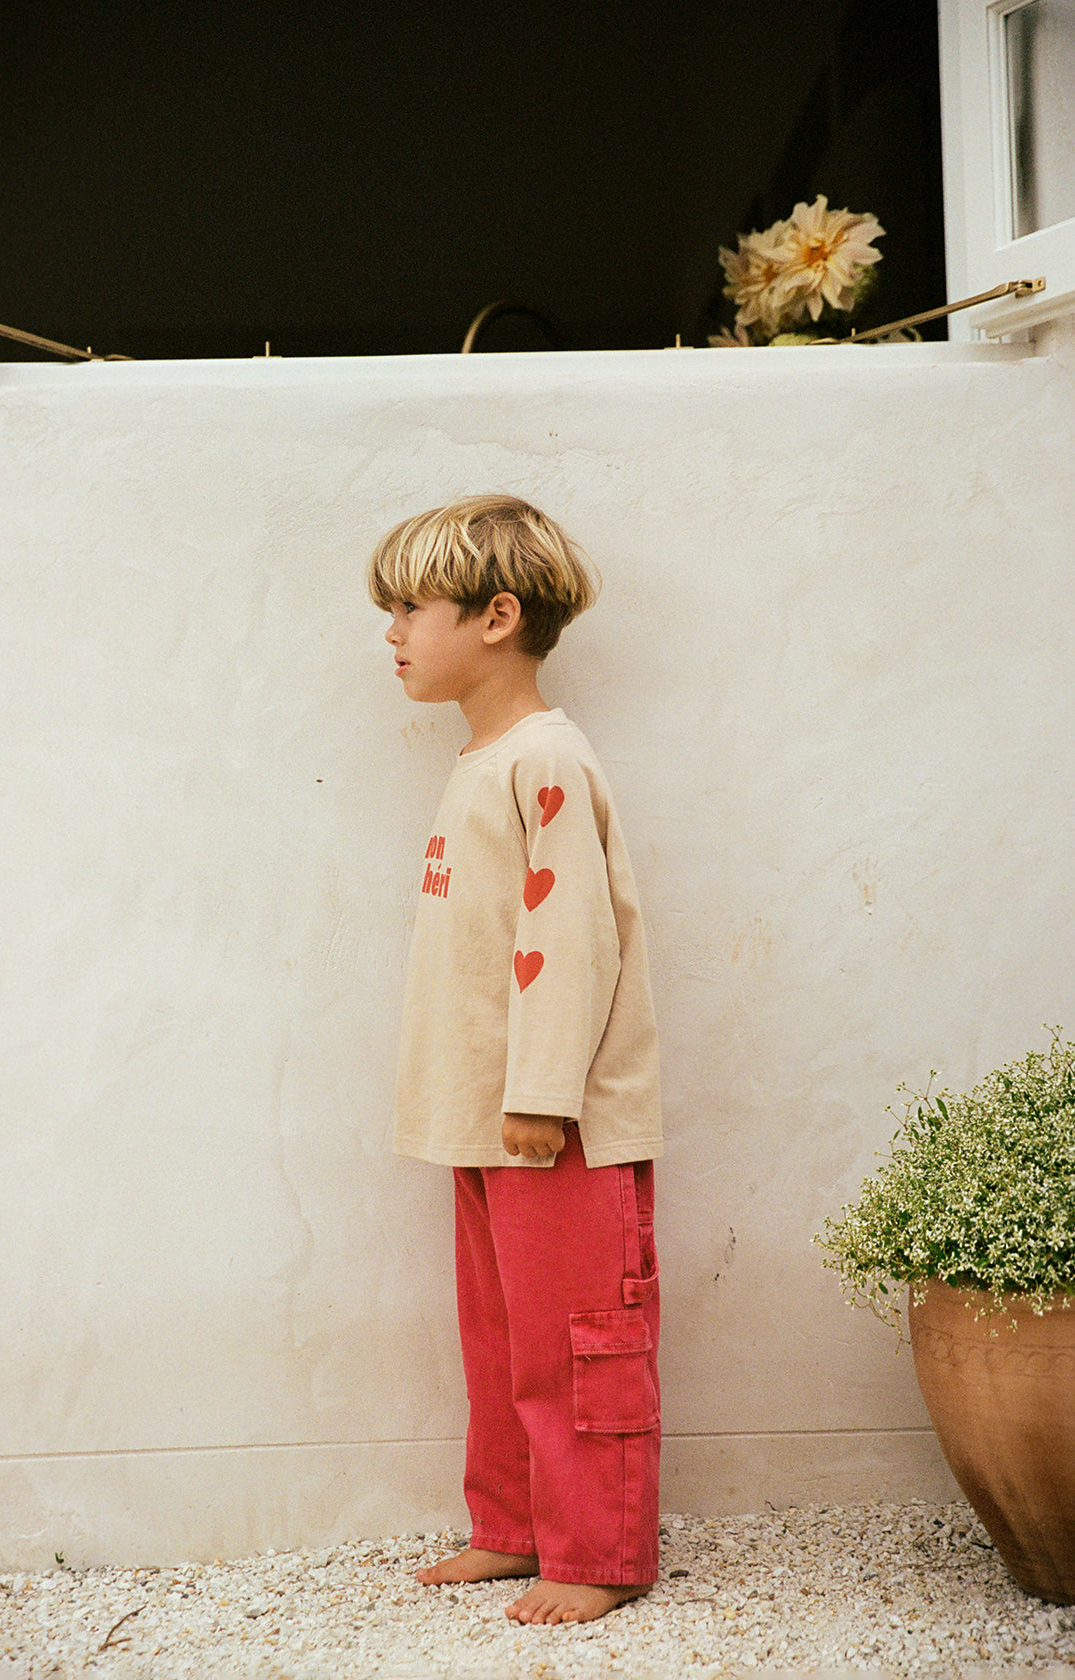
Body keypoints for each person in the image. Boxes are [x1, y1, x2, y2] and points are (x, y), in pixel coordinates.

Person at [368, 494, 663, 1626]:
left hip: (556, 1125)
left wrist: (540, 1096)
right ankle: (512, 1526)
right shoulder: (483, 762)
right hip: (484, 1121)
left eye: (408, 607)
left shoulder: (546, 760)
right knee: (499, 1342)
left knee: (579, 1343)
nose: (390, 632)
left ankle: (596, 1551)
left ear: (496, 617)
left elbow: (567, 939)